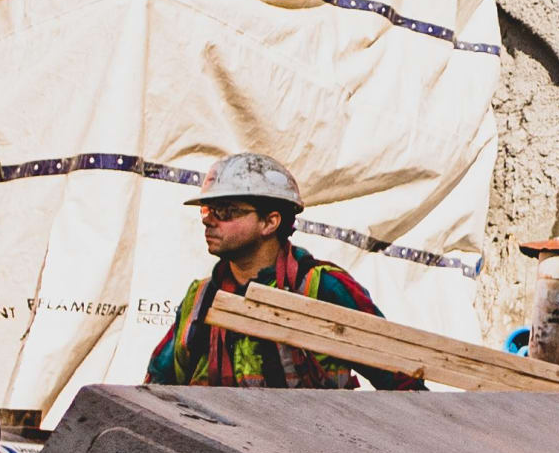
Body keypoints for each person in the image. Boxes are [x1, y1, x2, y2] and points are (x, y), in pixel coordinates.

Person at [144, 154, 423, 390]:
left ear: (270, 222)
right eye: (207, 210)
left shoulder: (322, 288)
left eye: (225, 211)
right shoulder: (200, 299)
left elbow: (403, 385)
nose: (209, 221)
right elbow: (157, 388)